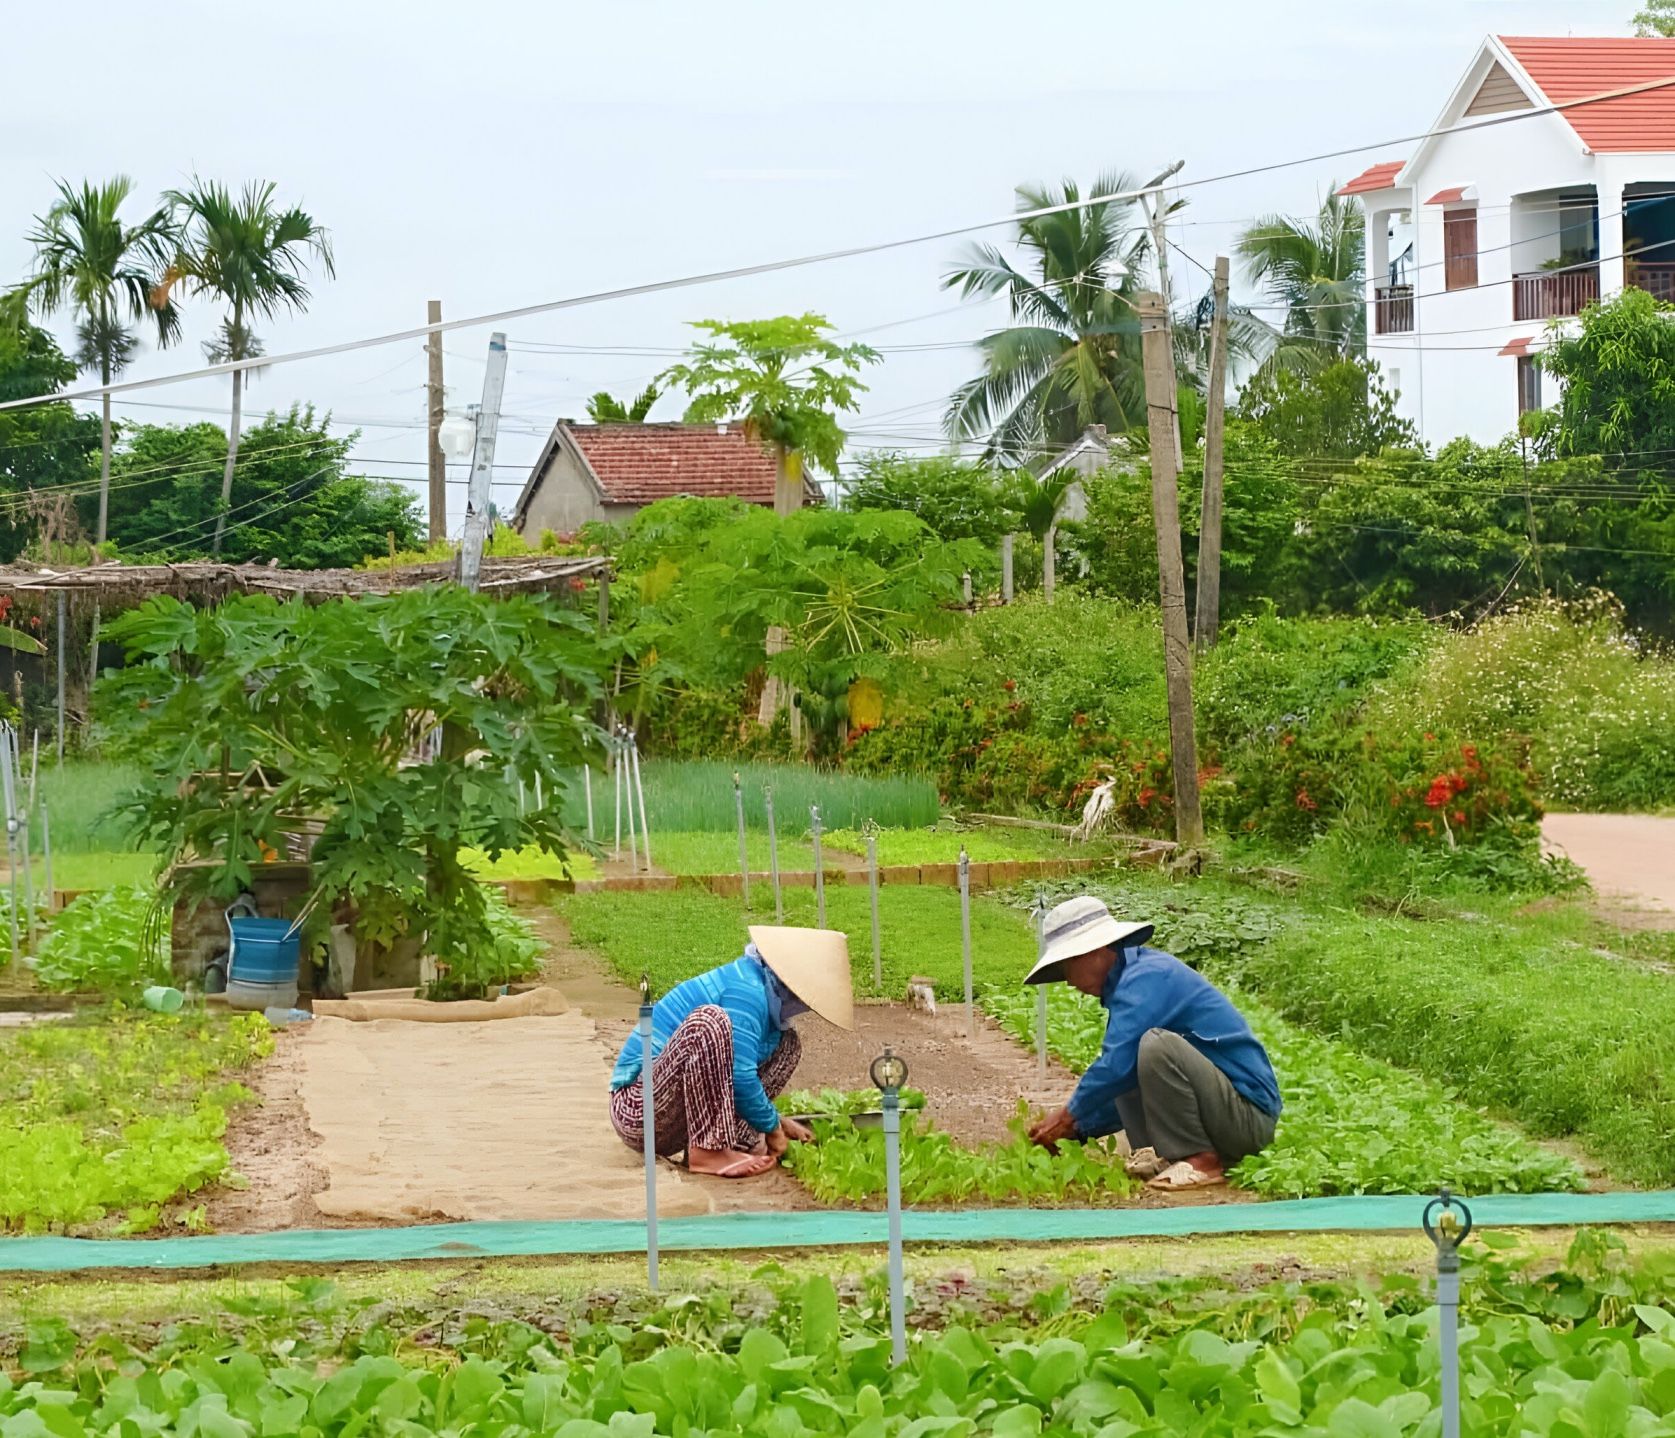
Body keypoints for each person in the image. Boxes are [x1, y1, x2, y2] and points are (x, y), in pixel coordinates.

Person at [1024, 895, 1281, 1191]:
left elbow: (1113, 1067)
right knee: (1136, 1056)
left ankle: (1202, 1160)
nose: (1069, 982)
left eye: (1068, 968)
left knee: (1154, 1045)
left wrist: (1068, 1115)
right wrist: (1078, 1129)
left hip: (1249, 1120)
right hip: (1226, 1116)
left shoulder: (1147, 977)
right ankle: (1157, 1153)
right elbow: (1123, 1077)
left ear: (1095, 952)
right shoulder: (1131, 982)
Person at [609, 925, 853, 1179]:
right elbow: (739, 1074)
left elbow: (723, 1073)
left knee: (787, 1045)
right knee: (710, 1022)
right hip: (639, 1110)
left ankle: (735, 1141)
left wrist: (777, 1119)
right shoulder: (747, 990)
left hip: (676, 1122)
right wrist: (772, 1128)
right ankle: (708, 1151)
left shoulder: (762, 998)